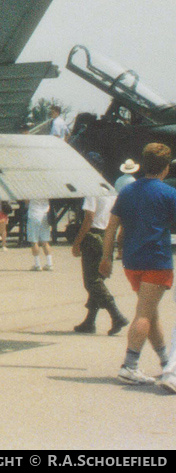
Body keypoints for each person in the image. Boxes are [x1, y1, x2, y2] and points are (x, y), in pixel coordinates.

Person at [99, 143, 176, 386]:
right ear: (165, 168)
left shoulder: (128, 191)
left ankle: (166, 364)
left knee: (150, 312)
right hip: (156, 259)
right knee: (144, 314)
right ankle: (129, 366)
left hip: (131, 261)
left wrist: (106, 257)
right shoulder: (168, 193)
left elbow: (111, 227)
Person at [70, 191, 128, 334]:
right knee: (98, 279)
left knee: (92, 282)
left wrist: (77, 242)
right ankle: (90, 321)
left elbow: (89, 218)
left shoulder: (92, 192)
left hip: (93, 236)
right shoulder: (113, 193)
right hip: (107, 235)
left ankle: (116, 315)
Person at [25, 198, 53, 270]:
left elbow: (26, 203)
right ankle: (49, 263)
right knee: (45, 241)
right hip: (45, 215)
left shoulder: (30, 190)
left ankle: (37, 264)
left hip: (34, 215)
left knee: (34, 241)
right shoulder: (45, 190)